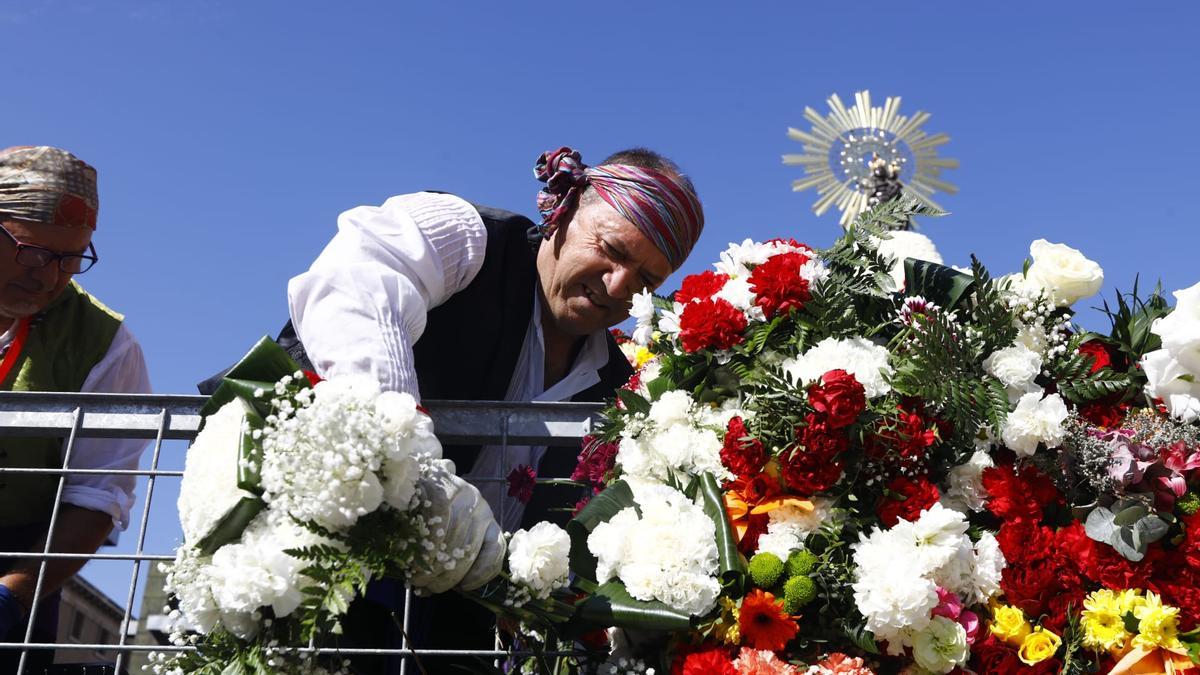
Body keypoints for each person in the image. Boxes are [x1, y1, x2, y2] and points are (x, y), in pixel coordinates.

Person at [280, 146, 703, 672]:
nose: (618, 285)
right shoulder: (469, 238)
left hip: (462, 627)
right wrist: (404, 456)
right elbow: (358, 281)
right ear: (563, 212)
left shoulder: (617, 387)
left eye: (645, 280)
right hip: (322, 566)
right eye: (612, 249)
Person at [0, 146, 152, 670]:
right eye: (33, 251)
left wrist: (14, 596)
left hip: (15, 565)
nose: (48, 276)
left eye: (71, 258)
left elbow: (97, 495)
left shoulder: (107, 344)